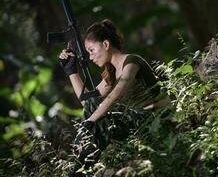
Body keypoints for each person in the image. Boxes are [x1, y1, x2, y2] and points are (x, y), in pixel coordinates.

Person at [58, 19, 170, 176]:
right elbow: (88, 102)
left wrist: (89, 122)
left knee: (96, 117)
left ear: (105, 45)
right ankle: (81, 169)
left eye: (91, 50)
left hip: (155, 117)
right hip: (137, 123)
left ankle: (78, 170)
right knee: (93, 109)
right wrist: (72, 71)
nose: (90, 57)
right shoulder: (110, 73)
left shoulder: (131, 61)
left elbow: (116, 95)